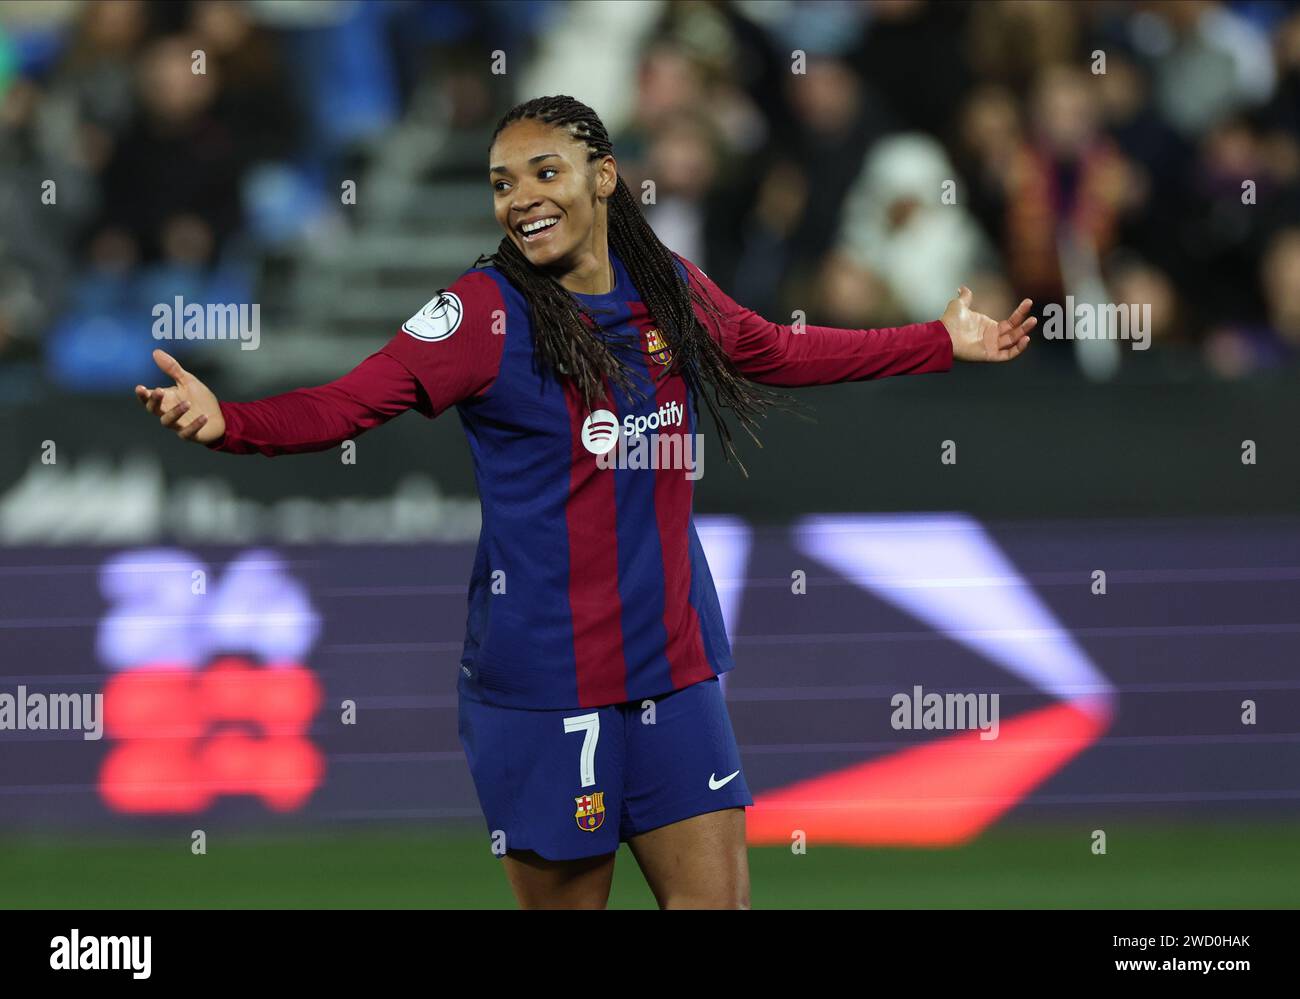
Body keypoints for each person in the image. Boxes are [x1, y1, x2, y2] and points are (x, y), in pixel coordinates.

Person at [134, 95, 1035, 909]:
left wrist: (935, 342)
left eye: (544, 171)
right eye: (501, 182)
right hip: (546, 684)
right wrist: (231, 418)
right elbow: (350, 400)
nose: (520, 196)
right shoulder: (481, 315)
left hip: (673, 670)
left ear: (605, 177)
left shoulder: (668, 289)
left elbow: (776, 351)